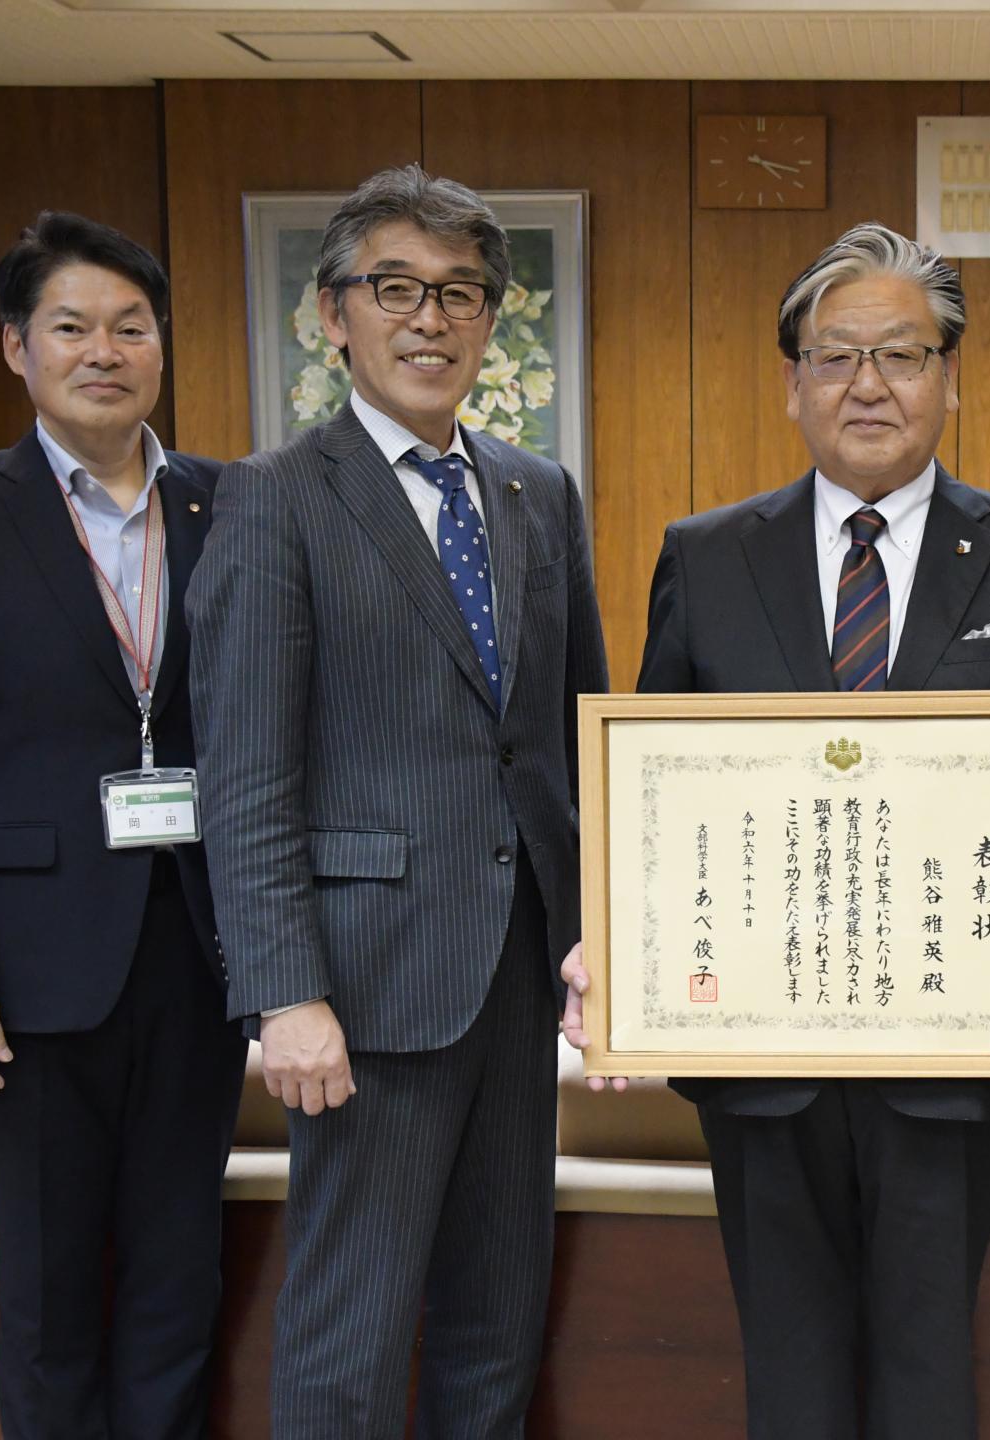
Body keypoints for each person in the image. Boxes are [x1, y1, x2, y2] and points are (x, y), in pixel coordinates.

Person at [636, 220, 990, 1440]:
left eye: (902, 354)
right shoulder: (704, 556)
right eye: (836, 355)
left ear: (954, 376)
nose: (869, 385)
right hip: (760, 1058)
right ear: (792, 380)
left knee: (926, 1368)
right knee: (787, 1369)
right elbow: (656, 796)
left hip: (956, 1060)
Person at [187, 164, 608, 1438]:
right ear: (336, 315)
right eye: (397, 290)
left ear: (491, 320)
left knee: (496, 1314)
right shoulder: (276, 498)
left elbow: (571, 740)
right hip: (361, 991)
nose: (430, 319)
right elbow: (246, 772)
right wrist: (283, 988)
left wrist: (597, 934)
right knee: (351, 1325)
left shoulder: (538, 492)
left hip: (519, 970)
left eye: (461, 295)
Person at [0, 212, 246, 1439]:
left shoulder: (225, 508)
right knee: (47, 1288)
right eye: (72, 326)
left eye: (131, 326)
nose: (106, 349)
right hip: (26, 976)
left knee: (179, 1272)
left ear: (161, 345)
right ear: (15, 349)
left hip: (195, 952)